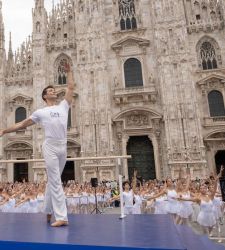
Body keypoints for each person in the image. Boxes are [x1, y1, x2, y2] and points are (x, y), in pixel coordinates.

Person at [0, 62, 75, 227]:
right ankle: (62, 217)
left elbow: (70, 88)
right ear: (44, 96)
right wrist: (5, 130)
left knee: (52, 180)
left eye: (54, 90)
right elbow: (22, 124)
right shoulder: (40, 112)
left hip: (63, 146)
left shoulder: (63, 106)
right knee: (56, 180)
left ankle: (48, 211)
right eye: (50, 91)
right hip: (49, 146)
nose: (53, 91)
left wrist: (69, 72)